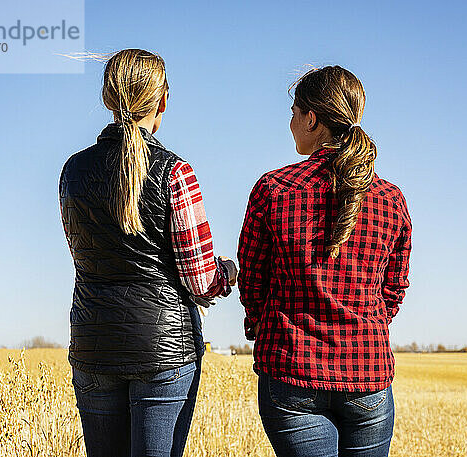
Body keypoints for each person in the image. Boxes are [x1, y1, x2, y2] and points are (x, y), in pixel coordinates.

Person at [59, 48, 237, 457]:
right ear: (161, 101)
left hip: (93, 344)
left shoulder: (72, 171)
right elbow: (201, 281)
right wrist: (228, 272)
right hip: (164, 351)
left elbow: (83, 254)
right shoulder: (175, 172)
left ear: (108, 98)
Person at [237, 65, 412, 457]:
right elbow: (394, 290)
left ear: (312, 118)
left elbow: (252, 280)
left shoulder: (274, 189)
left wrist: (261, 324)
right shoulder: (391, 199)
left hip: (292, 371)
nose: (291, 122)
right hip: (368, 375)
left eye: (294, 112)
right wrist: (365, 324)